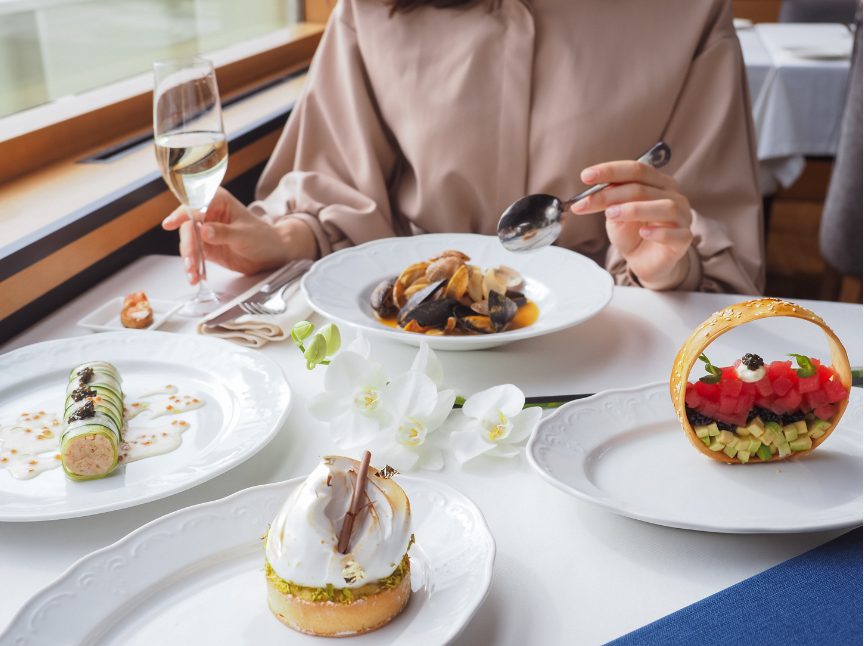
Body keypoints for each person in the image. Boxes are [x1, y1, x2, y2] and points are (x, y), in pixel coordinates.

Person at [163, 0, 764, 294]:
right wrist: (273, 239)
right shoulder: (367, 10)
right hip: (403, 341)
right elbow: (340, 199)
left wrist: (664, 265)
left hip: (604, 349)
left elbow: (712, 253)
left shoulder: (689, 12)